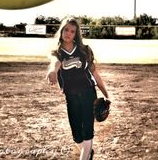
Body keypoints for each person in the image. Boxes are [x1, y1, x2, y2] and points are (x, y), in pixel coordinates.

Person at [46, 17, 110, 160]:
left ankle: (85, 155)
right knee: (77, 136)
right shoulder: (56, 52)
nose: (68, 33)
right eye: (66, 30)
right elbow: (55, 63)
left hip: (88, 94)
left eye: (72, 31)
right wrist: (53, 71)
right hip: (71, 97)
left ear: (76, 34)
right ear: (62, 31)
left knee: (87, 132)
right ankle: (88, 153)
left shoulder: (84, 50)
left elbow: (94, 73)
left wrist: (106, 94)